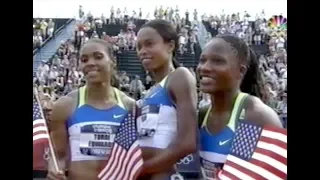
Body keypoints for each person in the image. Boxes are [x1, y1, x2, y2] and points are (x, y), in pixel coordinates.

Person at [46, 38, 135, 180]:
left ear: (112, 61)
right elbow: (58, 156)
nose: (90, 63)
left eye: (98, 57)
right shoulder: (65, 105)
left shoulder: (130, 106)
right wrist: (54, 170)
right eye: (84, 60)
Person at [196, 35, 283, 179]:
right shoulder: (203, 114)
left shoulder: (252, 116)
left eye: (217, 61)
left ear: (241, 71)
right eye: (202, 60)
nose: (205, 67)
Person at [136, 19, 197, 179]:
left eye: (149, 44)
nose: (142, 51)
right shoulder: (149, 92)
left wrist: (142, 169)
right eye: (139, 47)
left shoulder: (179, 76)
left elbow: (187, 142)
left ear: (170, 46)